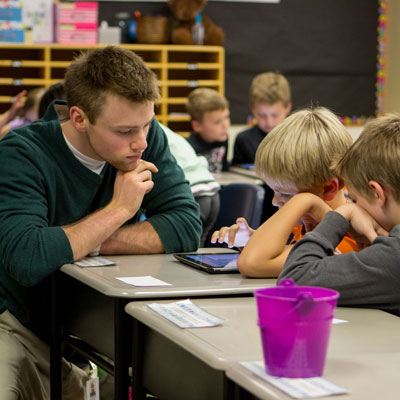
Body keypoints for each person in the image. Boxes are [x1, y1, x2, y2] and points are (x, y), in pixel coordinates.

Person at [0, 46, 201, 399]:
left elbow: (186, 226)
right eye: (124, 131)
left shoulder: (144, 138)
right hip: (17, 323)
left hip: (92, 330)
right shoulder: (22, 153)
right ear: (79, 118)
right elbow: (27, 257)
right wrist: (119, 210)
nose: (141, 142)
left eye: (147, 124)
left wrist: (84, 243)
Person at [211, 107, 357, 277]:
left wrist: (304, 201)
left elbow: (252, 263)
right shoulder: (309, 223)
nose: (275, 201)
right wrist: (252, 239)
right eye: (274, 191)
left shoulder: (343, 240)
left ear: (328, 189)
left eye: (287, 195)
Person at [279, 113, 400, 317]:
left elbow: (291, 283)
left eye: (354, 200)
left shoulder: (393, 256)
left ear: (376, 193)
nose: (355, 207)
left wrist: (342, 214)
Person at [232, 72, 292, 166]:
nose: (269, 122)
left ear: (287, 108)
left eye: (275, 115)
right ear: (252, 108)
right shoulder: (243, 140)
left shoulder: (299, 139)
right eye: (262, 115)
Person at [186, 87, 230, 173]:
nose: (226, 125)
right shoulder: (188, 148)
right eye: (217, 122)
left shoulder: (223, 138)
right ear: (197, 126)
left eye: (226, 117)